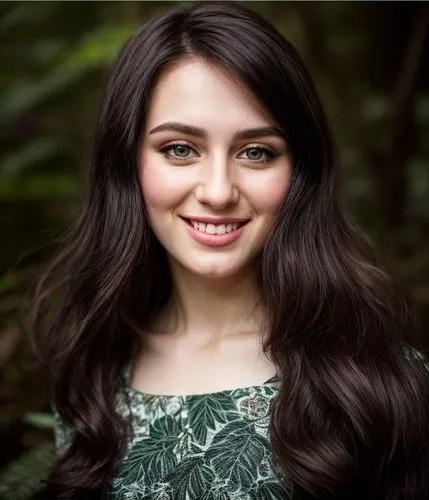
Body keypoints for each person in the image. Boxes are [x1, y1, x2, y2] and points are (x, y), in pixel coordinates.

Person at [30, 1, 429, 499]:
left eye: (255, 152)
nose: (218, 192)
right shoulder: (91, 374)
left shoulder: (383, 382)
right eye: (180, 149)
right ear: (126, 162)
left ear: (299, 171)